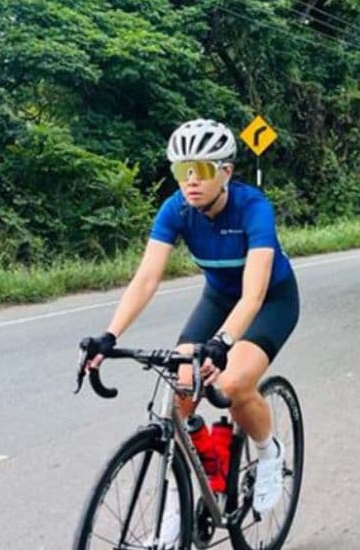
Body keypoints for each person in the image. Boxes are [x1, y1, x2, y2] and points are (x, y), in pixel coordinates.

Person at [81, 118, 298, 535]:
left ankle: (268, 452)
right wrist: (110, 337)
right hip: (217, 298)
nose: (191, 181)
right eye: (182, 171)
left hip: (272, 299)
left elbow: (252, 296)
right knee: (179, 389)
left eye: (201, 169)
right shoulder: (176, 210)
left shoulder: (253, 208)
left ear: (226, 172)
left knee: (232, 384)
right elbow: (146, 278)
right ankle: (178, 504)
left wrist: (222, 343)